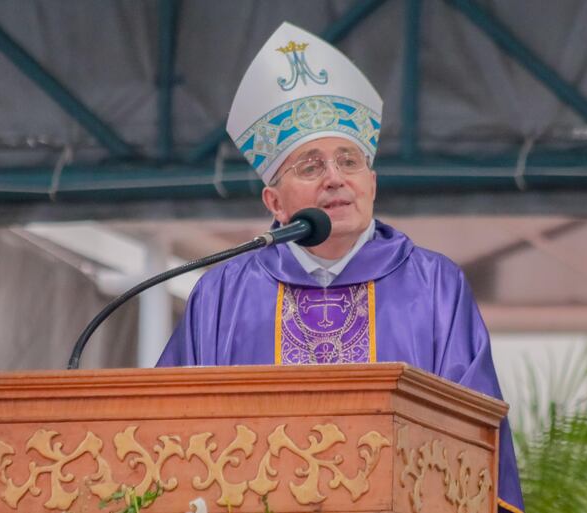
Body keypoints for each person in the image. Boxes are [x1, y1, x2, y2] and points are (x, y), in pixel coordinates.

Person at [158, 22, 524, 513]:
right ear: (275, 202)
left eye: (348, 161)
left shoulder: (435, 285)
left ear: (371, 183)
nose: (334, 178)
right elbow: (170, 430)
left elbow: (476, 434)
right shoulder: (223, 292)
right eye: (310, 166)